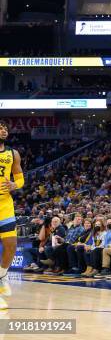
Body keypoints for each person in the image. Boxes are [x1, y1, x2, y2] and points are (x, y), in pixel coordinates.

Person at [0, 120, 25, 309]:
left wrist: (15, 185)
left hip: (5, 205)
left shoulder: (12, 153)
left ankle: (1, 276)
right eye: (0, 127)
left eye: (5, 128)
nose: (3, 130)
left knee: (11, 246)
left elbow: (19, 177)